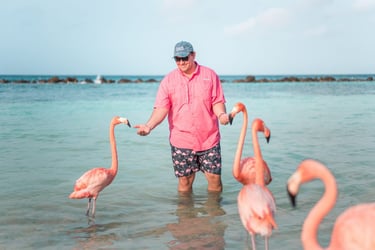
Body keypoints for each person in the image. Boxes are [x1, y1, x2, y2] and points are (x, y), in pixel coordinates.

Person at [134, 41, 230, 193]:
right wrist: (148, 126)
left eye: (184, 57)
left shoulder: (210, 75)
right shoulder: (168, 80)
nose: (181, 62)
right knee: (185, 184)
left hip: (209, 139)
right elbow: (161, 109)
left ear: (193, 55)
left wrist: (222, 115)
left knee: (214, 181)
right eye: (177, 59)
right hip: (181, 140)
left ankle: (215, 216)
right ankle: (186, 216)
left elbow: (217, 101)